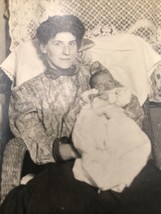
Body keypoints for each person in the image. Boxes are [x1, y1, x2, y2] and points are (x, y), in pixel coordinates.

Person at [1, 15, 161, 214]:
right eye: (58, 43)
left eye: (72, 43)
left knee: (149, 188)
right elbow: (36, 141)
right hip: (66, 164)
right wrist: (80, 151)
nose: (67, 51)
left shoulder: (95, 75)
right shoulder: (27, 93)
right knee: (70, 199)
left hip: (112, 156)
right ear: (43, 47)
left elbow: (129, 108)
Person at [72, 61, 151, 192]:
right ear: (94, 88)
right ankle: (102, 178)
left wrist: (117, 101)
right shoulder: (93, 95)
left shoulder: (119, 92)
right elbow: (86, 105)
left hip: (119, 123)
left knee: (133, 147)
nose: (107, 86)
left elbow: (126, 100)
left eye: (110, 82)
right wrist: (93, 99)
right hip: (98, 123)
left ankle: (119, 179)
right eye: (101, 84)